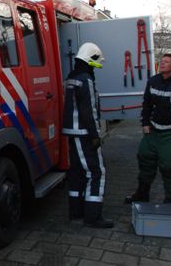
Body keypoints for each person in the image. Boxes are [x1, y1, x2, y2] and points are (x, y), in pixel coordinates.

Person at [125, 53, 171, 204]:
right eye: (161, 61)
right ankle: (142, 195)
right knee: (145, 161)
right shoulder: (153, 81)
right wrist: (145, 124)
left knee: (170, 166)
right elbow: (147, 105)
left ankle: (170, 200)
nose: (162, 64)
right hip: (153, 132)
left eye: (166, 62)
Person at [62, 42, 113, 228]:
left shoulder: (71, 77)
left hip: (72, 132)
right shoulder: (86, 80)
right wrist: (95, 135)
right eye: (96, 62)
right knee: (97, 171)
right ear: (90, 59)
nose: (97, 66)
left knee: (76, 173)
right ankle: (93, 217)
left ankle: (75, 214)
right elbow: (89, 111)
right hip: (84, 133)